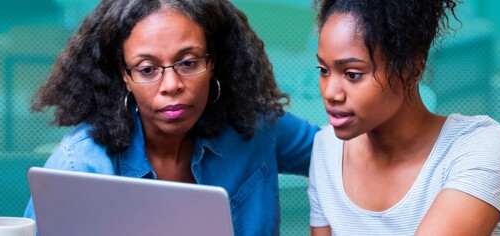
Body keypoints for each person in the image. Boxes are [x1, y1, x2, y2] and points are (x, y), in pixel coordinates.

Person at [22, 0, 319, 235]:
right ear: (124, 76)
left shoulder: (255, 127)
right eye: (147, 69)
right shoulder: (79, 165)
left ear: (213, 61)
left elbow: (341, 150)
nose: (171, 85)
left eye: (188, 62)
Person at [307, 0, 500, 235]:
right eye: (324, 70)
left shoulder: (478, 147)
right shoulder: (326, 148)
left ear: (411, 67)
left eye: (353, 74)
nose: (330, 93)